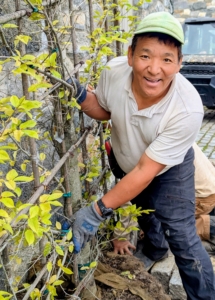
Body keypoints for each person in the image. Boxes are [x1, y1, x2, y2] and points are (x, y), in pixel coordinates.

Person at [71, 12, 215, 299]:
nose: (154, 69)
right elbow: (106, 110)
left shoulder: (186, 108)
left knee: (183, 236)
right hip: (128, 158)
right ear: (130, 55)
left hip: (167, 169)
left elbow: (146, 171)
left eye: (166, 59)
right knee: (145, 208)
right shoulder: (112, 73)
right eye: (145, 56)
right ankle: (154, 248)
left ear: (179, 63)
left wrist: (96, 211)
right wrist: (81, 97)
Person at [110, 142, 215, 256]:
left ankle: (205, 225)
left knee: (170, 230)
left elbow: (131, 196)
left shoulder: (136, 148)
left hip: (201, 197)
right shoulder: (164, 128)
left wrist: (120, 236)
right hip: (208, 186)